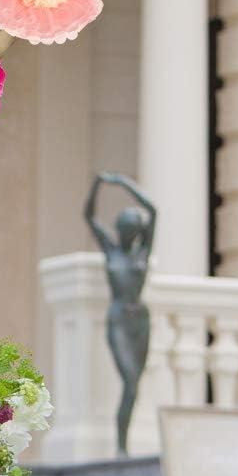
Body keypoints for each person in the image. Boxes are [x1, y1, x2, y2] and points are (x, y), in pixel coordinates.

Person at [83, 172, 157, 455]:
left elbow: (154, 211)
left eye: (132, 230)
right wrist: (97, 185)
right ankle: (121, 446)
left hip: (140, 319)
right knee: (129, 380)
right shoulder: (111, 250)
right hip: (118, 319)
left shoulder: (142, 253)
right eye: (125, 228)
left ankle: (122, 443)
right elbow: (89, 217)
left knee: (134, 385)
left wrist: (124, 183)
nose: (128, 234)